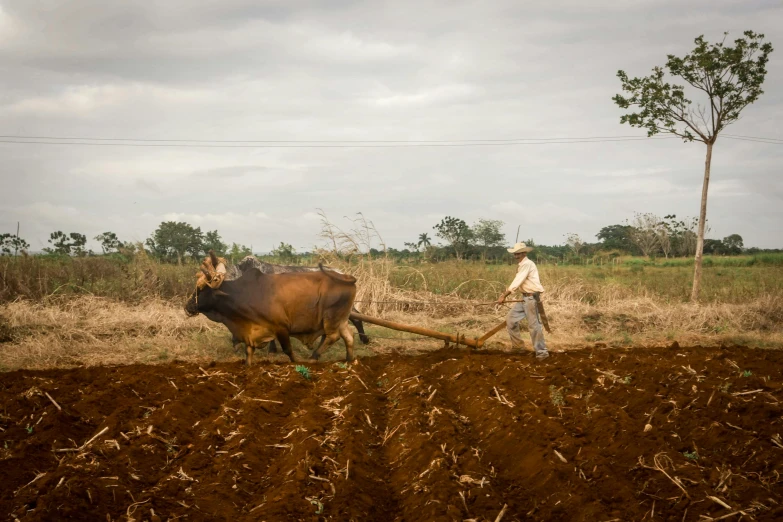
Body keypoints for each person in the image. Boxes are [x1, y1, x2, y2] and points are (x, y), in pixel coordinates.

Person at [496, 242, 549, 360]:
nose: (516, 256)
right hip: (525, 298)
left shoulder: (527, 264)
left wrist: (504, 295)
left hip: (531, 298)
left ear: (524, 253)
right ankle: (518, 347)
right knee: (510, 320)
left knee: (534, 326)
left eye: (518, 253)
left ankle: (542, 353)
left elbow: (517, 281)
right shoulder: (522, 265)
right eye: (515, 254)